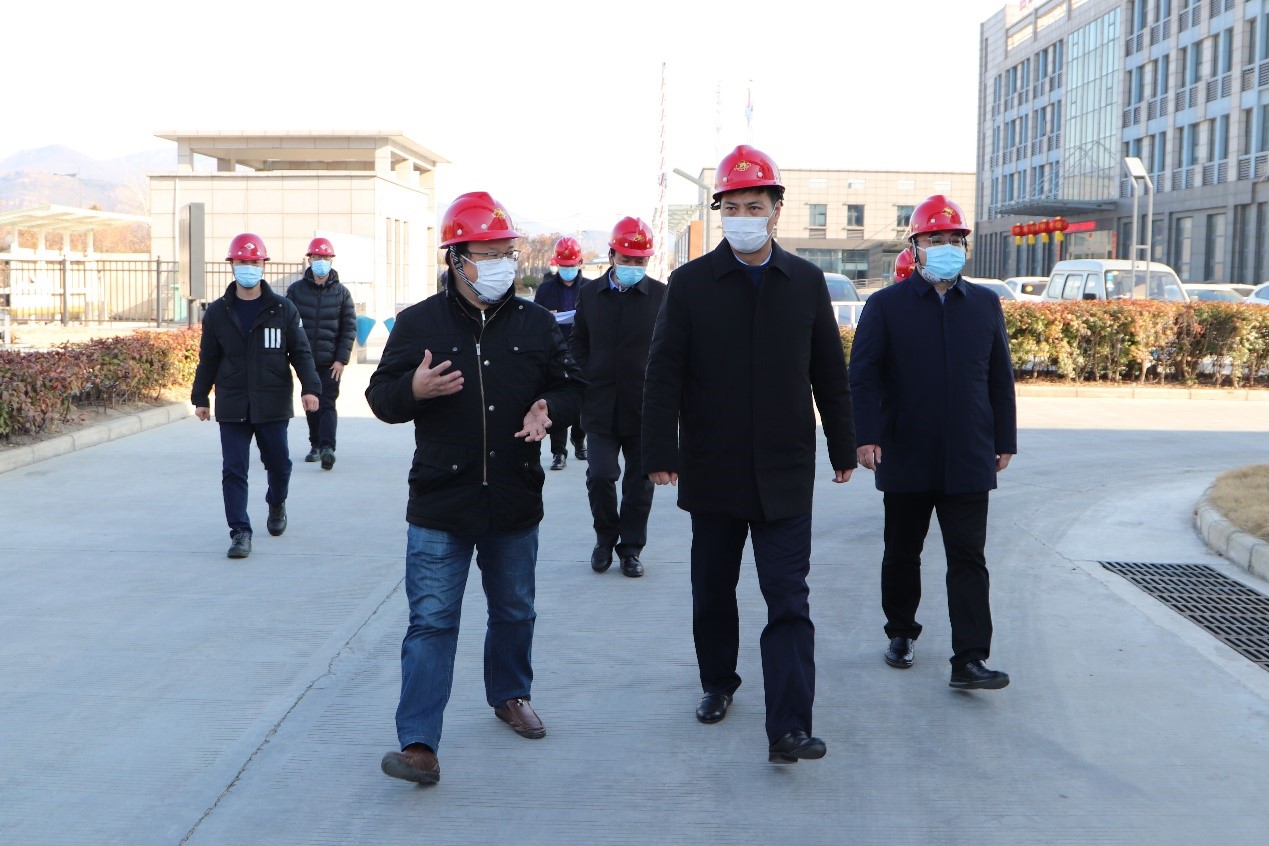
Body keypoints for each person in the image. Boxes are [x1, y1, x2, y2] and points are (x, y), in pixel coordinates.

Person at [641, 145, 856, 764]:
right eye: (731, 208)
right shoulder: (690, 285)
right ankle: (718, 681)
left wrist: (842, 444)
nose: (742, 217)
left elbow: (828, 373)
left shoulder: (806, 283)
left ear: (775, 210)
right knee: (713, 590)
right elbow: (663, 374)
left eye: (753, 206)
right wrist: (659, 450)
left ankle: (789, 727)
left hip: (785, 471)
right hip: (713, 467)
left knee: (788, 598)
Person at [367, 191, 585, 787]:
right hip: (442, 500)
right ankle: (418, 743)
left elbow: (574, 386)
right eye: (487, 254)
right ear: (456, 259)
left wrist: (551, 409)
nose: (500, 265)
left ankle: (510, 694)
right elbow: (380, 399)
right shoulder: (418, 324)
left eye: (506, 253)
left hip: (514, 494)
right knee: (432, 621)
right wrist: (413, 390)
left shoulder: (537, 323)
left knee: (514, 609)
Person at [847, 194, 1017, 691]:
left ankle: (970, 659)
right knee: (903, 552)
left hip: (968, 452)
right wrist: (866, 436)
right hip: (906, 449)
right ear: (915, 246)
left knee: (969, 558)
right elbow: (863, 377)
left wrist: (1004, 438)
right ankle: (901, 632)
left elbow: (999, 377)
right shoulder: (886, 306)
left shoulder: (984, 304)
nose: (945, 247)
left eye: (953, 239)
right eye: (934, 239)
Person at [191, 233, 321, 559]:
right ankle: (240, 532)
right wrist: (201, 397)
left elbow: (301, 352)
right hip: (233, 402)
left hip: (272, 401)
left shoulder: (282, 309)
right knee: (234, 469)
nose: (247, 267)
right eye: (241, 261)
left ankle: (276, 502)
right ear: (231, 265)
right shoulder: (218, 312)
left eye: (253, 261)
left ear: (263, 265)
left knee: (280, 465)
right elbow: (208, 358)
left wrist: (310, 388)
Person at [571, 217, 666, 578]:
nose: (633, 267)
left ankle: (631, 549)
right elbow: (578, 341)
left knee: (639, 485)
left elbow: (672, 349)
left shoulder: (661, 296)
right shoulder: (589, 295)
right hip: (599, 405)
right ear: (612, 256)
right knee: (600, 475)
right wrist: (586, 373)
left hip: (643, 407)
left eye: (640, 261)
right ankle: (604, 539)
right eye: (626, 259)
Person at [286, 237, 357, 471]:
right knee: (311, 403)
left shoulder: (342, 293)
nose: (321, 261)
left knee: (327, 402)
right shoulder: (296, 291)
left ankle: (327, 448)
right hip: (305, 361)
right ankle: (315, 445)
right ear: (309, 260)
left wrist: (341, 359)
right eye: (317, 257)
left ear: (331, 260)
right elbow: (287, 324)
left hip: (330, 362)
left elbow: (349, 328)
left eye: (325, 257)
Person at [534, 236, 588, 470]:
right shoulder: (545, 290)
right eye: (564, 265)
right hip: (555, 352)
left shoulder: (589, 288)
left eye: (571, 265)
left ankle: (579, 440)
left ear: (580, 263)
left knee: (581, 400)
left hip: (582, 351)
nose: (568, 270)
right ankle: (559, 452)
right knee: (557, 401)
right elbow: (535, 320)